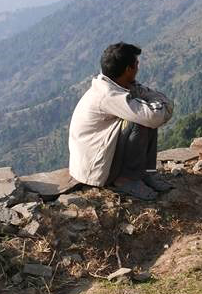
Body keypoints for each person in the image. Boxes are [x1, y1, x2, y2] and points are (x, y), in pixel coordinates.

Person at [69, 42, 174, 201]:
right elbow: (155, 115)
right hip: (95, 166)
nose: (138, 67)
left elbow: (149, 99)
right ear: (128, 69)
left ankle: (145, 173)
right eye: (136, 64)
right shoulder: (108, 94)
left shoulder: (120, 84)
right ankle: (127, 179)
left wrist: (158, 105)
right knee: (140, 120)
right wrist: (163, 104)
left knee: (144, 113)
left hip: (102, 152)